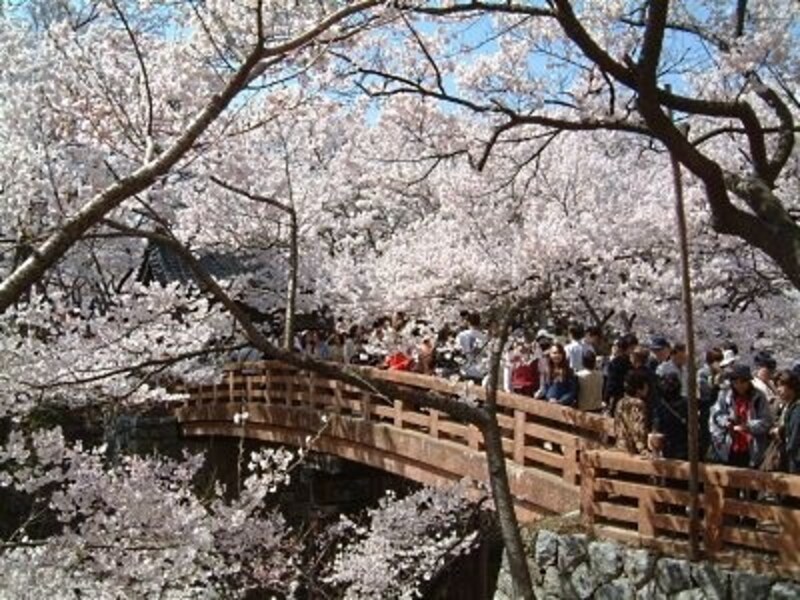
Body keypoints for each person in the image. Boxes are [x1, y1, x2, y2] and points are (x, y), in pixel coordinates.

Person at [709, 363, 772, 468]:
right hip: (729, 446)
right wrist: (726, 421)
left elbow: (766, 421)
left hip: (752, 448)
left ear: (748, 381)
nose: (739, 385)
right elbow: (716, 414)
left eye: (743, 382)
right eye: (735, 382)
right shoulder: (725, 395)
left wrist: (748, 426)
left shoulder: (759, 397)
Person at [615, 368, 652, 455]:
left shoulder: (621, 402)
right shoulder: (639, 404)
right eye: (646, 385)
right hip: (632, 450)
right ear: (639, 388)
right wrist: (643, 449)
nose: (648, 388)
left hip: (620, 446)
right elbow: (638, 429)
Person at [653, 372, 689, 460]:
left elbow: (657, 427)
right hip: (684, 446)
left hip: (666, 446)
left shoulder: (660, 405)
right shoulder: (686, 403)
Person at [697, 347, 724, 459]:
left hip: (717, 409)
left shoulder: (718, 372)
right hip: (705, 408)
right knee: (706, 436)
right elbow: (706, 394)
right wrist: (716, 384)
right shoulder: (703, 374)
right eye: (718, 361)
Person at [773, 370, 800, 474]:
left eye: (781, 386)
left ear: (791, 387)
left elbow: (794, 438)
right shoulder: (789, 406)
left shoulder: (797, 409)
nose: (778, 390)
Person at [604, 335, 633, 415]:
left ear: (618, 348)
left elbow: (610, 382)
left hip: (615, 396)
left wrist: (606, 398)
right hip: (626, 396)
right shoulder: (630, 364)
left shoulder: (614, 363)